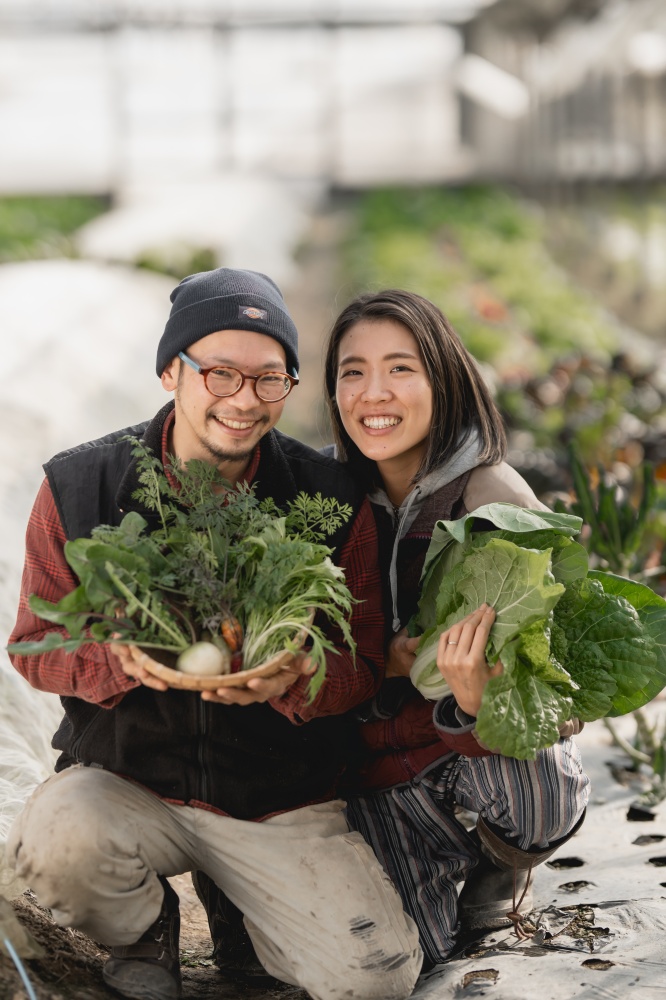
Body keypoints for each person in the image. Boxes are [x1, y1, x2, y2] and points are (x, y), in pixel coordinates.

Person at [7, 268, 422, 1000]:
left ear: (290, 387)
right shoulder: (81, 487)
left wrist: (301, 677)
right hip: (130, 783)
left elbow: (360, 659)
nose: (243, 400)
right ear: (173, 370)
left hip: (276, 797)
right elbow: (34, 645)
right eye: (220, 373)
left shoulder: (331, 497)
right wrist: (121, 660)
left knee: (372, 981)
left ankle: (239, 916)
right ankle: (144, 929)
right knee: (56, 844)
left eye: (270, 380)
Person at [322, 288, 590, 969]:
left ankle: (497, 879)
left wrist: (478, 699)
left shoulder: (493, 499)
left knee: (540, 789)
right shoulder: (322, 497)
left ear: (444, 379)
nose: (373, 392)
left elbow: (557, 700)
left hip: (468, 755)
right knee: (407, 958)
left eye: (400, 368)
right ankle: (434, 870)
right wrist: (377, 662)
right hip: (370, 773)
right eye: (352, 371)